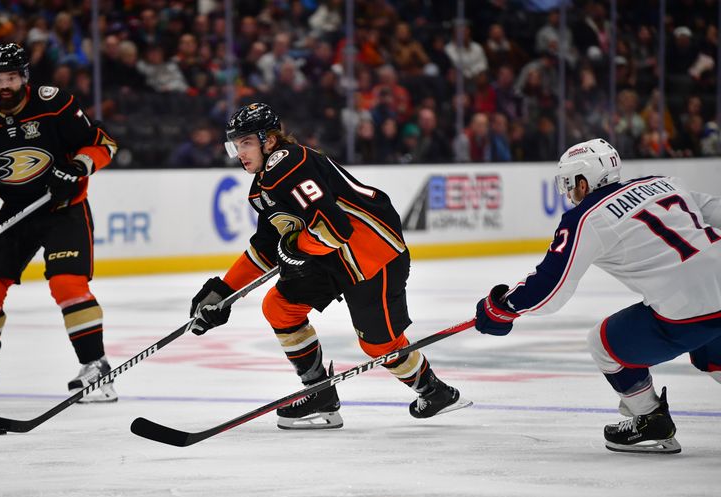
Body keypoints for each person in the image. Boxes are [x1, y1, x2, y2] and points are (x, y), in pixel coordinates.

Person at [190, 102, 471, 430]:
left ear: (269, 141)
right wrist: (224, 292)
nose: (240, 153)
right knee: (280, 306)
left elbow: (335, 228)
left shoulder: (289, 164)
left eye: (246, 143)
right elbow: (266, 247)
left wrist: (296, 247)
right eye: (235, 145)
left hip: (371, 256)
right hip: (331, 257)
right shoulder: (263, 187)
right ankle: (320, 394)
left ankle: (433, 391)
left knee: (378, 344)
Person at [473, 138, 721, 454]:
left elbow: (551, 289)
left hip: (687, 309)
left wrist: (503, 306)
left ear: (583, 180)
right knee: (712, 355)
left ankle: (650, 418)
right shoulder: (663, 183)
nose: (569, 194)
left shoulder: (587, 218)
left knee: (603, 343)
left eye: (569, 185)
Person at [0, 43, 118, 402]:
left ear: (24, 76)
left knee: (68, 284)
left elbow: (104, 144)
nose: (4, 85)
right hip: (16, 211)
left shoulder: (54, 103)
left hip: (64, 209)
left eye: (10, 77)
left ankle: (97, 368)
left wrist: (75, 168)